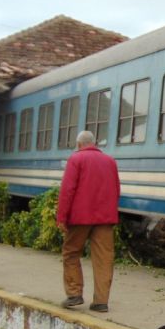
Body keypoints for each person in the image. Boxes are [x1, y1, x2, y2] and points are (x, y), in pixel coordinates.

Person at [57, 130, 120, 312]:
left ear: (78, 145)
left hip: (79, 218)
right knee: (104, 259)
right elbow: (116, 190)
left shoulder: (75, 160)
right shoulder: (110, 161)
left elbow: (67, 190)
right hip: (105, 218)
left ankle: (74, 294)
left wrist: (62, 217)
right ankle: (101, 302)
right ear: (95, 143)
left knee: (71, 253)